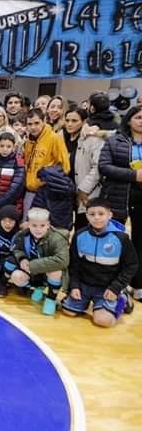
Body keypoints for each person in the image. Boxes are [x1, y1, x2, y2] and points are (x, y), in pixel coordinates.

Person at [61, 198, 136, 326]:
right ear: (86, 216)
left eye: (101, 214)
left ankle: (122, 298)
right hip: (84, 285)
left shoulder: (121, 238)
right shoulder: (79, 235)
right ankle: (89, 302)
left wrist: (116, 287)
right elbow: (74, 264)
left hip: (107, 287)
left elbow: (131, 265)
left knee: (103, 321)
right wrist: (74, 286)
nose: (96, 218)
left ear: (110, 215)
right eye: (92, 214)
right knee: (68, 312)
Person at [99, 105, 142, 301]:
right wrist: (134, 176)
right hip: (118, 196)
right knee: (115, 242)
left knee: (140, 243)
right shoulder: (115, 140)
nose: (141, 120)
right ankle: (115, 285)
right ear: (130, 119)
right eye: (139, 117)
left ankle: (138, 284)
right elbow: (104, 167)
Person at [0, 208, 69, 315]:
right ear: (28, 224)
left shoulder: (58, 238)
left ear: (48, 225)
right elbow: (16, 248)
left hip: (46, 271)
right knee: (16, 276)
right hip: (33, 272)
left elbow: (62, 260)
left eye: (42, 225)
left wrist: (33, 265)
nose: (38, 229)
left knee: (57, 271)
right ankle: (38, 287)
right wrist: (22, 258)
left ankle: (51, 298)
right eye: (34, 225)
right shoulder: (23, 234)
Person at [74, 92, 118, 230]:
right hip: (93, 187)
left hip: (92, 191)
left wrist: (83, 189)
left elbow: (98, 166)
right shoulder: (114, 126)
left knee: (88, 228)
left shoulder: (96, 132)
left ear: (91, 108)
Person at [23, 107, 70, 218]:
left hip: (46, 192)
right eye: (29, 124)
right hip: (30, 190)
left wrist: (48, 179)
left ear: (44, 121)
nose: (33, 127)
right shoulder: (29, 141)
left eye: (36, 123)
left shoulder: (54, 138)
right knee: (27, 224)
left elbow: (65, 167)